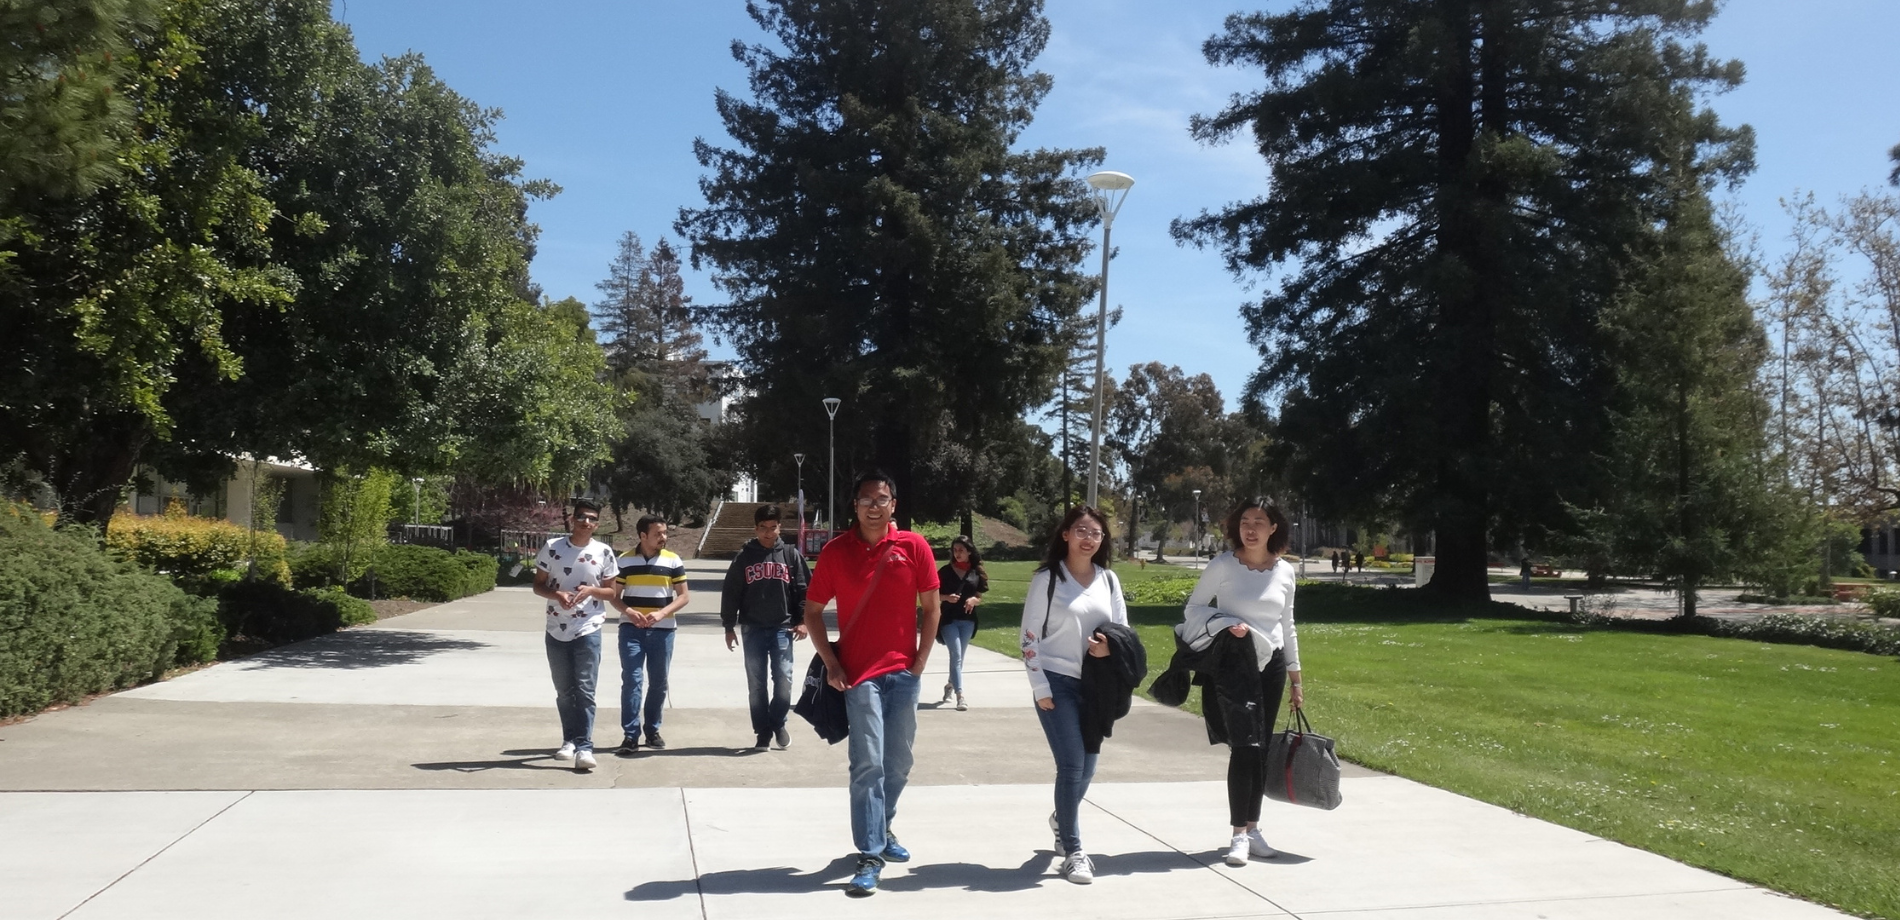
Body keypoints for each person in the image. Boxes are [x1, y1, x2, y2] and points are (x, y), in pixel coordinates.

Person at [804, 470, 941, 897]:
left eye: (882, 499)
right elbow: (812, 612)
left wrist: (918, 663)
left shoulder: (912, 546)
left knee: (899, 763)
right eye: (866, 499)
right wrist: (832, 663)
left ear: (893, 505)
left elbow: (932, 609)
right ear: (855, 506)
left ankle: (882, 826)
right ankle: (869, 853)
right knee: (868, 765)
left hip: (903, 675)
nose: (874, 506)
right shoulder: (835, 552)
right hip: (858, 678)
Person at [1181, 498, 1304, 867]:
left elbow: (1288, 625)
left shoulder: (1285, 572)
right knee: (1245, 747)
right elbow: (1194, 609)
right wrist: (1225, 625)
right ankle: (1237, 835)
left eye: (1259, 522)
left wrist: (1297, 678)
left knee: (1262, 747)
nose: (1250, 528)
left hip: (1274, 665)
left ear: (1273, 528)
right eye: (1245, 522)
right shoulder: (1222, 565)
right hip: (1236, 664)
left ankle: (1253, 828)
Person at [1020, 505, 1128, 885]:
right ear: (1065, 535)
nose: (1088, 539)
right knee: (1071, 766)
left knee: (1089, 768)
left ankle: (1060, 818)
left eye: (1095, 533)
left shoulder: (1109, 581)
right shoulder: (1048, 579)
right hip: (1056, 681)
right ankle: (1074, 850)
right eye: (1081, 530)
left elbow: (1123, 633)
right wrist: (1040, 686)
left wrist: (1109, 649)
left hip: (1095, 686)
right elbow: (1029, 637)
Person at [532, 499, 622, 772]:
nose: (586, 522)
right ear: (572, 519)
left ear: (597, 524)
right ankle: (568, 740)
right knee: (564, 691)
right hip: (556, 628)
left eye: (592, 519)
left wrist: (591, 591)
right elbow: (538, 585)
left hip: (589, 628)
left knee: (585, 689)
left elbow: (612, 592)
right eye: (582, 516)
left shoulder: (604, 551)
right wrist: (556, 594)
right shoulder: (553, 548)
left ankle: (585, 746)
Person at [721, 504, 810, 751]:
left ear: (780, 527)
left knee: (784, 679)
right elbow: (731, 592)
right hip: (753, 629)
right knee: (757, 684)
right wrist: (729, 626)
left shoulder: (791, 555)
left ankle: (778, 723)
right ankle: (762, 732)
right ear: (755, 528)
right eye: (763, 528)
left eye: (773, 528)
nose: (769, 533)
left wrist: (802, 620)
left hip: (783, 628)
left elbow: (804, 589)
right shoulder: (745, 556)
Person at [613, 515, 690, 755]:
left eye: (665, 533)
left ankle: (653, 730)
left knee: (658, 683)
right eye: (658, 533)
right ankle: (630, 735)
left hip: (663, 631)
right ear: (643, 535)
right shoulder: (624, 561)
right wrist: (629, 612)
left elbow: (684, 596)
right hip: (631, 630)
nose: (663, 537)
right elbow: (613, 596)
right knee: (632, 681)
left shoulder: (673, 560)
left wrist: (662, 613)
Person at [936, 534, 989, 711]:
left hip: (968, 620)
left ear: (969, 552)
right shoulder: (944, 571)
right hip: (949, 619)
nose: (957, 554)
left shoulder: (975, 572)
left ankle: (950, 684)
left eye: (961, 550)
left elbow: (979, 595)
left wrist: (974, 600)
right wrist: (946, 597)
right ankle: (960, 696)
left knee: (959, 658)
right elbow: (931, 594)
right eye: (955, 550)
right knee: (956, 655)